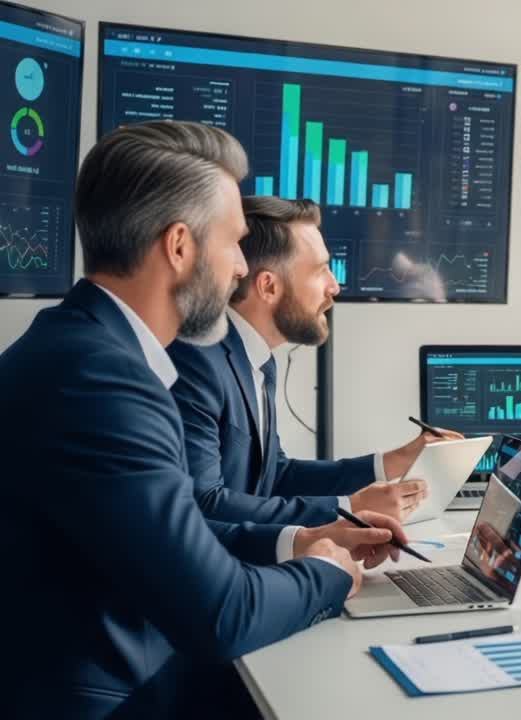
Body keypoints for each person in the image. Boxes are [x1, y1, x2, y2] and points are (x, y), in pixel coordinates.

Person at [0, 120, 408, 718]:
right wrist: (328, 571)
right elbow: (221, 613)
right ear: (179, 247)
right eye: (234, 242)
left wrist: (301, 540)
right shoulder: (101, 382)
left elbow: (169, 533)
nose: (242, 268)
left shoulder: (81, 349)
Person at [168, 196, 460, 527]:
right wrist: (349, 507)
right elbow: (203, 504)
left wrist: (393, 462)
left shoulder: (258, 361)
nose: (334, 286)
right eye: (321, 270)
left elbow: (276, 476)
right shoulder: (196, 362)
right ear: (268, 286)